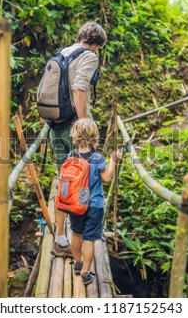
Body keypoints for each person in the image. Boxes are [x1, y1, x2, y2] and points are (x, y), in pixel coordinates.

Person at [51, 22, 107, 257]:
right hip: (73, 127)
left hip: (55, 123)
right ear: (97, 44)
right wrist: (83, 123)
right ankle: (81, 231)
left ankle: (60, 238)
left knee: (64, 179)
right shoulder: (89, 57)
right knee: (84, 178)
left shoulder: (64, 52)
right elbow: (79, 89)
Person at [67, 118, 122, 284]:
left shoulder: (71, 156)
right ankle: (85, 272)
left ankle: (77, 263)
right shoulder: (97, 158)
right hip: (94, 205)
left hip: (76, 204)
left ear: (75, 136)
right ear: (94, 136)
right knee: (89, 238)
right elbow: (106, 178)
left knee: (76, 233)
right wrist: (113, 160)